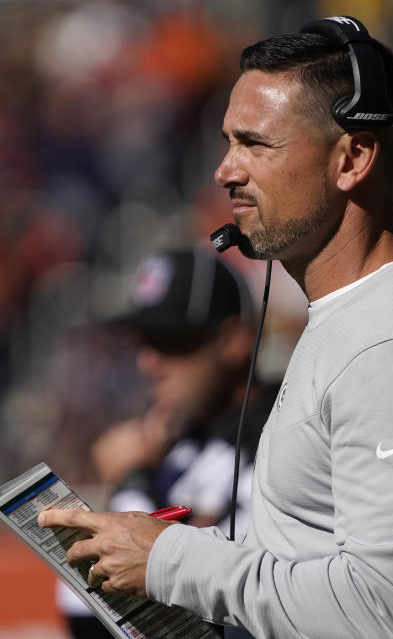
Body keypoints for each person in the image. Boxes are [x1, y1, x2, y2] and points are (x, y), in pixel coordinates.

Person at [41, 15, 393, 639]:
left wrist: (169, 559)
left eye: (255, 144)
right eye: (228, 142)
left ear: (354, 158)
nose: (225, 171)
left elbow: (380, 614)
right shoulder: (353, 320)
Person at [58, 247, 274, 639]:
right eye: (142, 342)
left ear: (233, 340)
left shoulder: (283, 434)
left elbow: (213, 607)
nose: (148, 363)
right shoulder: (169, 446)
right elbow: (81, 611)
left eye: (171, 340)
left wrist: (131, 483)